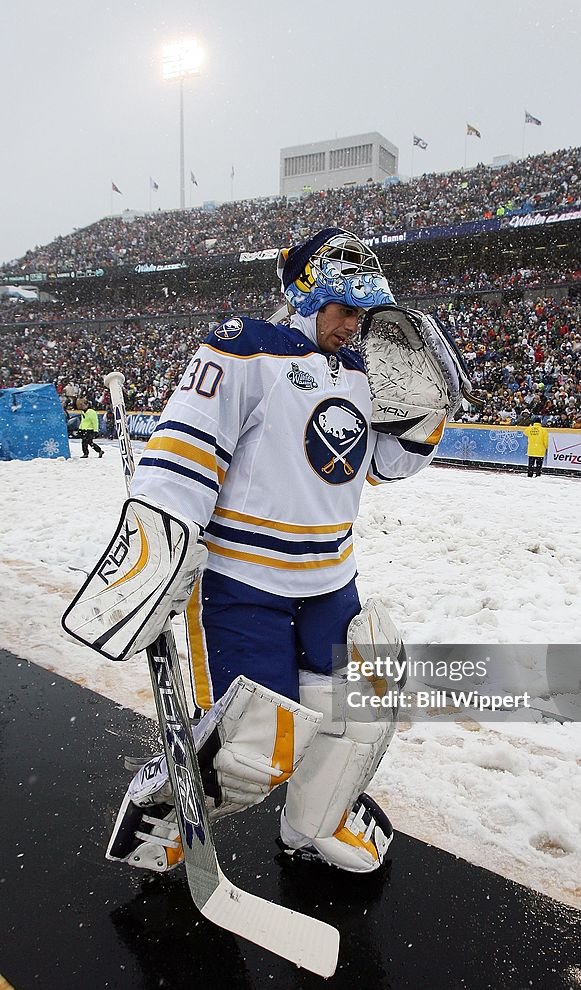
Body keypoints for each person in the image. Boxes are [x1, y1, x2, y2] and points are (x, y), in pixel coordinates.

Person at [63, 228, 467, 876]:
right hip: (242, 583)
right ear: (308, 298)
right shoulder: (242, 348)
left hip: (331, 582)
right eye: (344, 309)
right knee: (256, 743)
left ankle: (314, 824)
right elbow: (185, 452)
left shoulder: (363, 376)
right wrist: (160, 545)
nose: (353, 324)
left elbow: (384, 465)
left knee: (361, 704)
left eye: (362, 312)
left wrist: (427, 419)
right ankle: (163, 808)